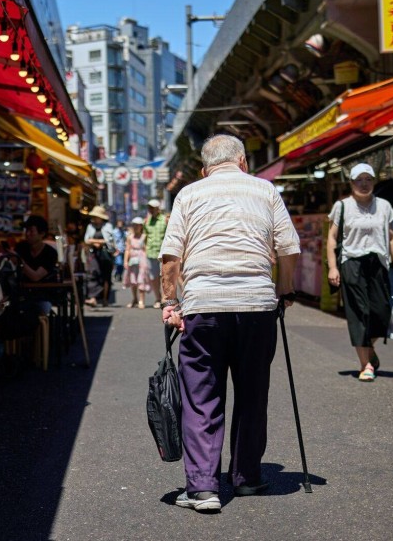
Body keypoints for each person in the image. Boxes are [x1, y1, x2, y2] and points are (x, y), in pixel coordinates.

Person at [160, 134, 299, 512]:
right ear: (243, 162)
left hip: (204, 306)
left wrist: (171, 302)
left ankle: (203, 488)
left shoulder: (189, 194)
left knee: (201, 395)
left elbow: (171, 255)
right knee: (253, 393)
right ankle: (246, 478)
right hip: (256, 305)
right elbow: (288, 248)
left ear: (204, 169)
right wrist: (284, 291)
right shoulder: (266, 190)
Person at [326, 163, 393, 382]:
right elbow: (332, 237)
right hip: (352, 263)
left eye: (368, 179)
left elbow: (391, 236)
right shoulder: (342, 206)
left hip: (378, 264)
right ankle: (366, 365)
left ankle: (369, 351)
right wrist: (333, 267)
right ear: (351, 183)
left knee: (381, 313)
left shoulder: (383, 206)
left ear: (373, 181)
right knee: (359, 313)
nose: (364, 184)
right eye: (359, 180)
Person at [0, 214, 58, 340]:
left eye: (31, 231)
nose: (27, 234)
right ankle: (12, 350)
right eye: (26, 230)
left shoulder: (50, 253)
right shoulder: (22, 247)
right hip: (21, 296)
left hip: (42, 297)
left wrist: (19, 261)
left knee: (27, 313)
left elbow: (36, 276)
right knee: (5, 313)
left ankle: (29, 350)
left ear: (42, 234)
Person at [83, 205, 115, 307]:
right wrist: (95, 242)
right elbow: (86, 240)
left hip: (106, 254)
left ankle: (105, 299)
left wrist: (96, 242)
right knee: (93, 273)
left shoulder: (108, 226)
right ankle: (93, 298)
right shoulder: (90, 226)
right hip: (94, 254)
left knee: (106, 277)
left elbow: (109, 240)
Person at [143, 198, 168, 309]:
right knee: (153, 278)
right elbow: (145, 237)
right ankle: (157, 298)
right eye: (149, 208)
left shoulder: (165, 220)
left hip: (163, 253)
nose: (150, 210)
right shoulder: (147, 221)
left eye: (152, 208)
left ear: (158, 209)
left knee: (164, 276)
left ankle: (164, 298)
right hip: (151, 252)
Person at [122, 217, 151, 308]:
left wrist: (147, 261)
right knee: (133, 280)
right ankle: (135, 298)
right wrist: (125, 261)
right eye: (134, 225)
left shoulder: (144, 236)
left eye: (137, 225)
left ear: (141, 226)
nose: (135, 227)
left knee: (141, 279)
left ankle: (141, 300)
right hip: (132, 259)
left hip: (142, 259)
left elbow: (146, 249)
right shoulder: (129, 237)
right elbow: (127, 249)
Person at [112, 217, 127, 282]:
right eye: (119, 223)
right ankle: (116, 274)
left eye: (121, 223)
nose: (120, 225)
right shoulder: (114, 232)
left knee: (122, 264)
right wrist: (115, 249)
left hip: (123, 250)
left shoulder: (124, 232)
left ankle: (119, 275)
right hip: (117, 250)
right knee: (119, 263)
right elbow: (112, 241)